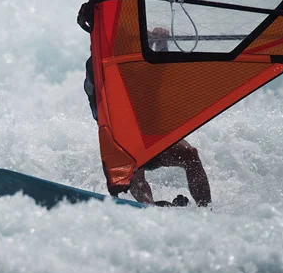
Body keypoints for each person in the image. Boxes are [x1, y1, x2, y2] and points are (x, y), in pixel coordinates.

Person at [84, 27, 212, 208]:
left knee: (190, 154)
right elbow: (95, 71)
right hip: (122, 146)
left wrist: (161, 41)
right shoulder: (96, 74)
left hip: (153, 139)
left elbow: (161, 66)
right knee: (134, 170)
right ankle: (149, 207)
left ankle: (206, 210)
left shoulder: (143, 74)